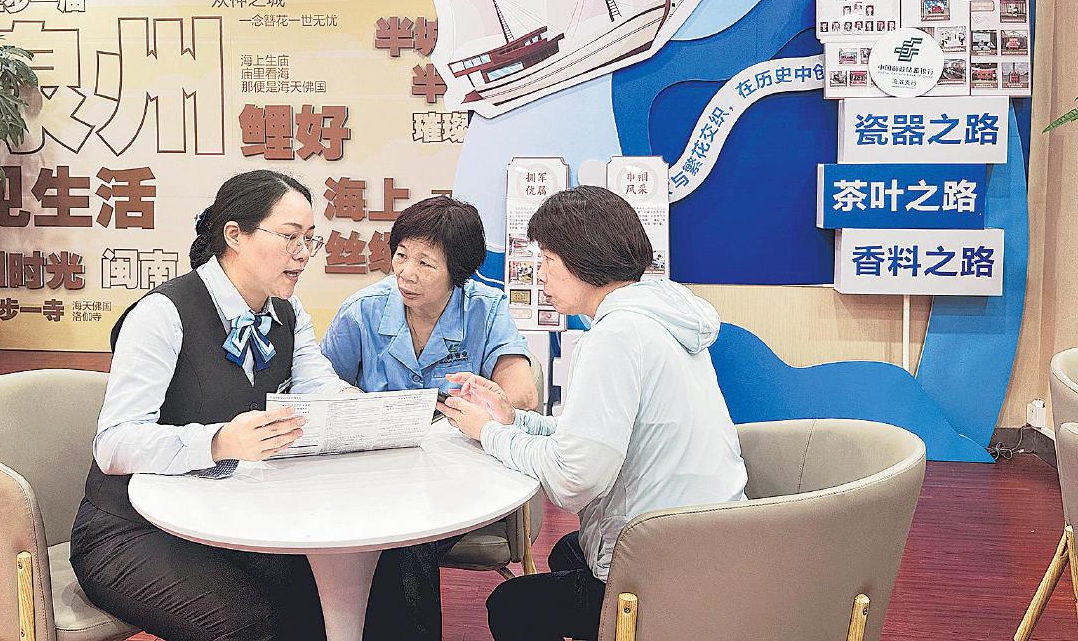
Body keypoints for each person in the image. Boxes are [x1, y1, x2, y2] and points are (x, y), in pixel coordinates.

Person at [439, 186, 749, 641]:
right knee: (568, 552)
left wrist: (489, 433)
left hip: (667, 565)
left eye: (547, 259)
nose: (540, 273)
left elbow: (573, 479)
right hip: (716, 541)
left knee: (512, 606)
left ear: (582, 260)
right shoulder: (660, 317)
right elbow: (595, 435)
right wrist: (513, 419)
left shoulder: (615, 337)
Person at [70, 169, 367, 641]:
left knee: (326, 593)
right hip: (131, 529)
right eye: (290, 236)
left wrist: (368, 409)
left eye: (310, 239)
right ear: (235, 235)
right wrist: (219, 441)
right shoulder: (163, 313)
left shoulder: (287, 312)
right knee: (254, 623)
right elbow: (114, 444)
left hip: (223, 518)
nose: (303, 254)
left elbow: (319, 387)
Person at [320, 195, 538, 640]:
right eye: (401, 255)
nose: (406, 273)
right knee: (390, 529)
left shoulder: (486, 308)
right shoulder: (363, 310)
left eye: (425, 263)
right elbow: (318, 385)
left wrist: (485, 400)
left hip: (460, 478)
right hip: (376, 477)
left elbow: (523, 394)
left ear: (458, 273)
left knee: (406, 534)